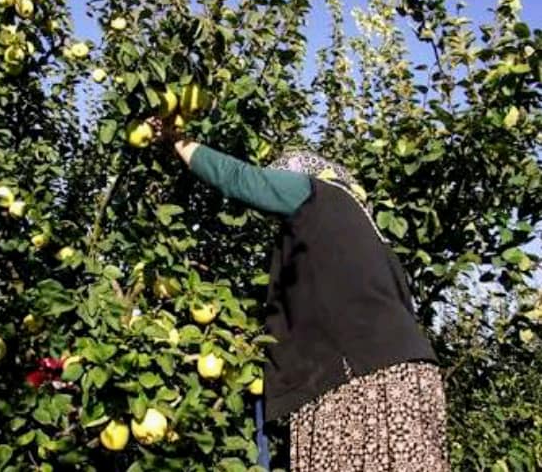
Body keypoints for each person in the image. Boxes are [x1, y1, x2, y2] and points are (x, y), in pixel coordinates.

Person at [147, 117, 450, 471]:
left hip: (357, 383)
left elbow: (240, 180)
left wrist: (178, 142)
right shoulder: (370, 238)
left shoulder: (315, 193)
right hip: (410, 383)